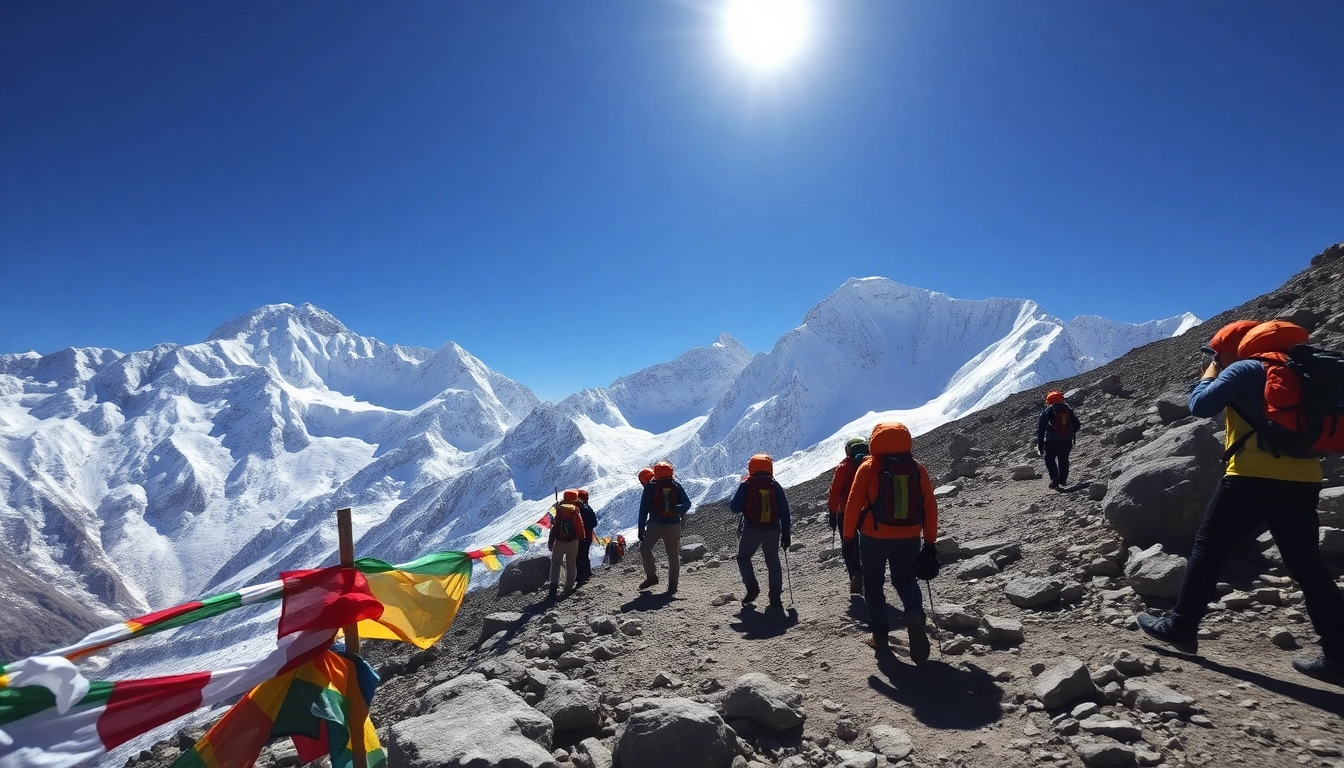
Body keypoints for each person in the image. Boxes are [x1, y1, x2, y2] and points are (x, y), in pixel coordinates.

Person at [1137, 320, 1344, 686]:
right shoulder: (1302, 368)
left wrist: (1210, 374)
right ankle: (1339, 653)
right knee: (1308, 567)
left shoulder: (1248, 367)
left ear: (1238, 347)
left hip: (1250, 477)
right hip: (1303, 480)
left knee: (1208, 548)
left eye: (1217, 351)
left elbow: (1200, 406)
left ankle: (1181, 625)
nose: (1214, 357)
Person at [844, 421, 939, 661]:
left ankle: (880, 637)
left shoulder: (868, 467)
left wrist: (848, 539)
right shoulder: (917, 469)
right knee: (906, 580)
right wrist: (929, 542)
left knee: (873, 584)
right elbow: (930, 506)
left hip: (873, 537)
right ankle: (914, 614)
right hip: (909, 536)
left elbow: (853, 504)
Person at [730, 453, 792, 609]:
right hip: (773, 529)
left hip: (752, 529)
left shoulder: (747, 485)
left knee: (743, 557)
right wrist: (786, 533)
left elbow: (734, 508)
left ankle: (752, 588)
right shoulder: (774, 485)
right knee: (772, 561)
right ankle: (775, 598)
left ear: (751, 467)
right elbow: (785, 511)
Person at [637, 460, 691, 594]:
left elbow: (643, 509)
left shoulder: (651, 486)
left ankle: (652, 576)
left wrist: (641, 528)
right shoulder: (676, 485)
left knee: (645, 549)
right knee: (673, 554)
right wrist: (674, 509)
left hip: (655, 525)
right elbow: (687, 504)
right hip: (673, 525)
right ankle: (673, 586)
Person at [828, 437, 869, 596]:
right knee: (866, 545)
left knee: (849, 546)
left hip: (845, 513)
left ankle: (855, 574)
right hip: (867, 512)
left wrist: (832, 512)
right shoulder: (872, 464)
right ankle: (869, 577)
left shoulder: (843, 467)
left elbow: (835, 493)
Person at [1036, 390, 1081, 490]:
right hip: (1067, 440)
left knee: (1049, 459)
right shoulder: (1068, 409)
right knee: (1063, 459)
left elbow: (1041, 431)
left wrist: (1040, 446)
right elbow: (1077, 425)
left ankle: (1055, 478)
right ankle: (1063, 480)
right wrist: (1070, 432)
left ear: (1049, 401)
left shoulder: (1047, 412)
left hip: (1051, 441)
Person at [548, 489, 587, 599]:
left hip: (560, 541)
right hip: (573, 542)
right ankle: (568, 588)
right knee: (571, 564)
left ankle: (553, 587)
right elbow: (580, 526)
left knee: (555, 564)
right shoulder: (576, 510)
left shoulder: (559, 509)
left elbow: (554, 526)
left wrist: (551, 541)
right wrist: (581, 537)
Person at [574, 489, 599, 587]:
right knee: (584, 554)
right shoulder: (588, 508)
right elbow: (594, 522)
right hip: (588, 535)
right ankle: (587, 573)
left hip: (578, 536)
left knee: (578, 556)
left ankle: (581, 575)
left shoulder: (575, 509)